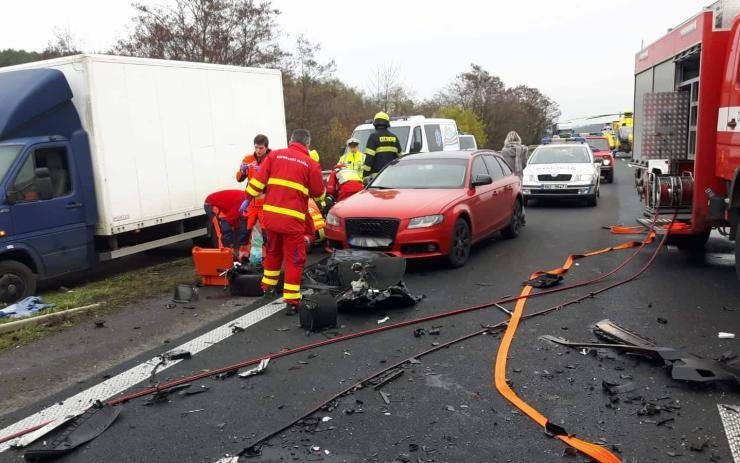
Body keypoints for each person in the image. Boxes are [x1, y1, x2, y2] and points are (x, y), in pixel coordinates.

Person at [245, 129, 325, 312]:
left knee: (273, 252)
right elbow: (319, 192)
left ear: (291, 140)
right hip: (292, 221)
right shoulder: (311, 164)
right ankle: (291, 300)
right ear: (308, 144)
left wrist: (246, 198)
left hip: (271, 218)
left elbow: (257, 183)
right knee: (294, 259)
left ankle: (267, 287)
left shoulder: (274, 156)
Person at [203, 190, 249, 258]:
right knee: (224, 230)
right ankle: (224, 255)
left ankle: (234, 253)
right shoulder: (242, 203)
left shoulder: (247, 201)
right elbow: (230, 219)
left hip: (226, 208)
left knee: (236, 228)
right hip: (212, 204)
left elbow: (237, 223)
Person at [363, 111, 402, 177]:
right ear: (387, 123)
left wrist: (365, 175)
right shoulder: (394, 137)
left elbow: (369, 159)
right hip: (392, 175)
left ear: (375, 123)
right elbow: (400, 158)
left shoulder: (373, 137)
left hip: (377, 178)